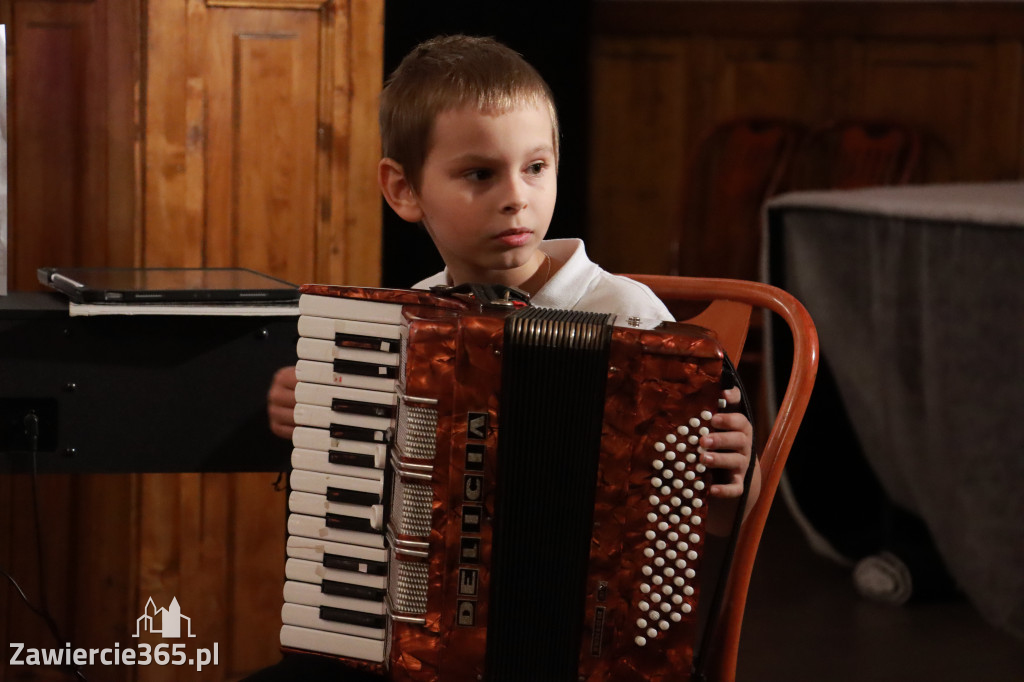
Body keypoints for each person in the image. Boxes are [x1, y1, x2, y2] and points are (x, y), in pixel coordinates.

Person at [253, 35, 757, 680]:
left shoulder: (630, 317)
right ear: (404, 189)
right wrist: (323, 413)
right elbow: (365, 498)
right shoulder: (404, 330)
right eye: (480, 174)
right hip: (432, 644)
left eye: (536, 166)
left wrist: (734, 473)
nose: (516, 196)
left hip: (592, 648)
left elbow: (714, 518)